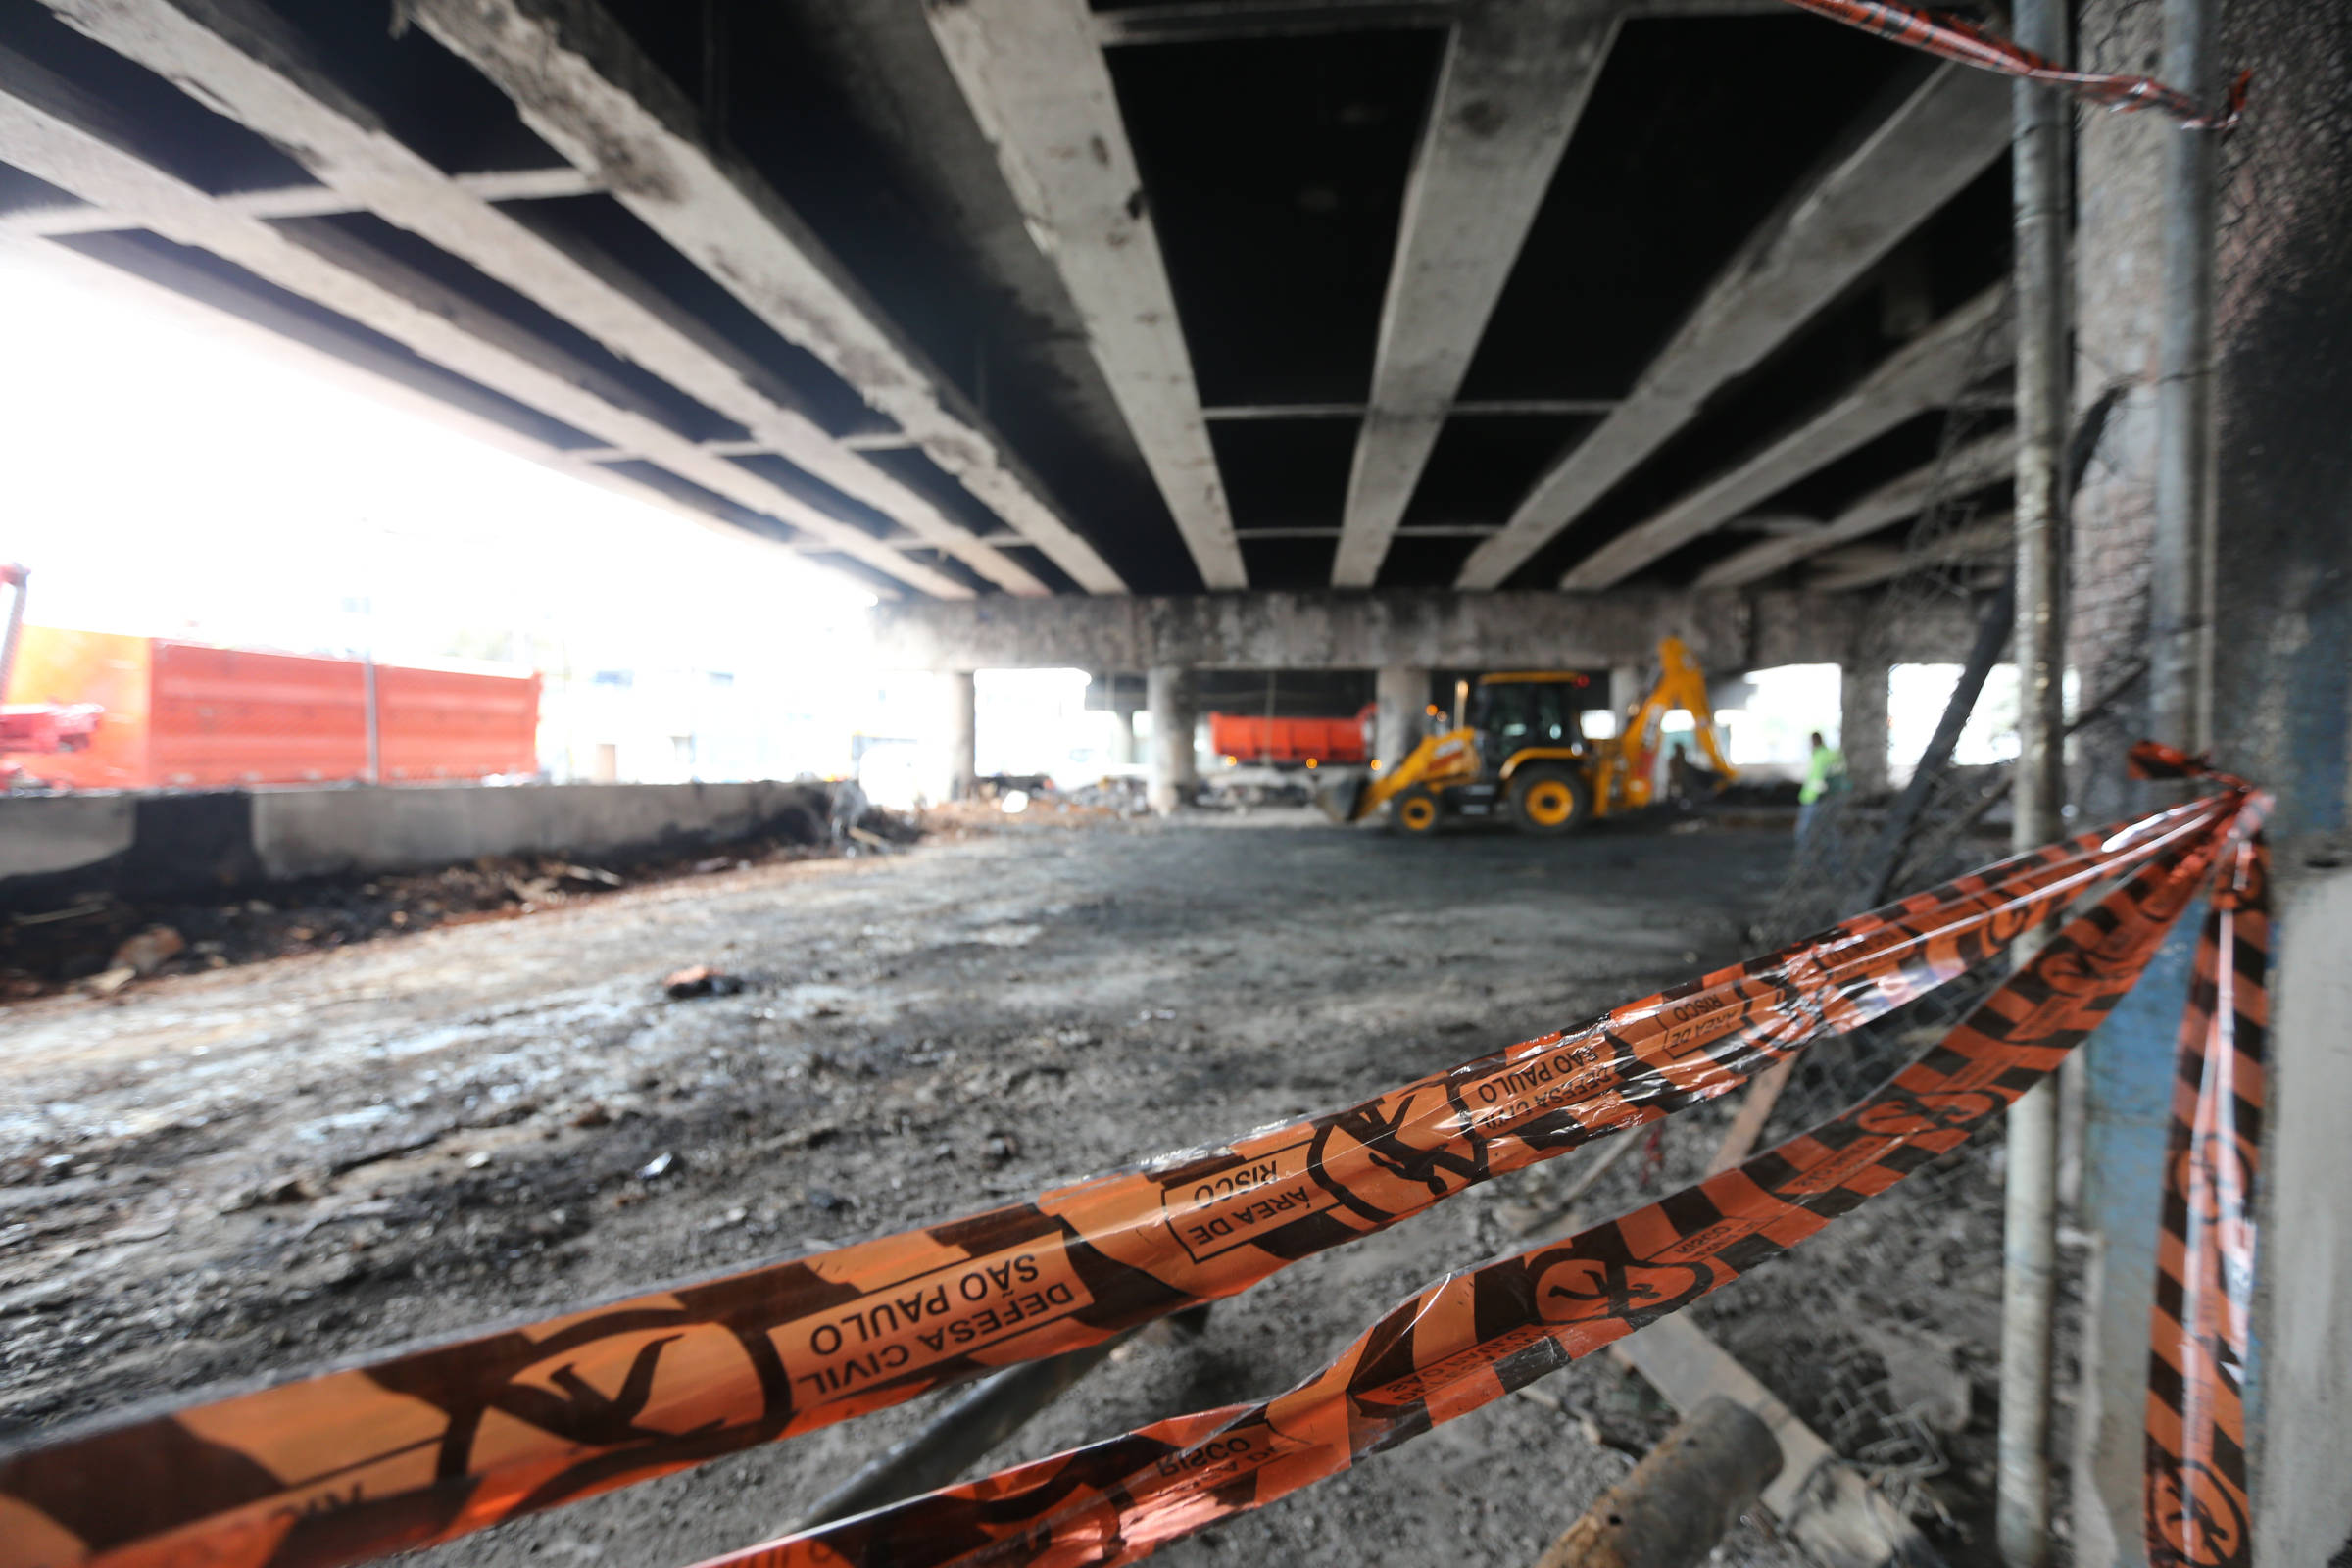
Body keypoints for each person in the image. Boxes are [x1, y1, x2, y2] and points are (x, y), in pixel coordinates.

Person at [1797, 729, 1846, 840]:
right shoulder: (1829, 754)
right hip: (1822, 796)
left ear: (1814, 741)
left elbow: (1818, 777)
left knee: (1806, 830)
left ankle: (1805, 851)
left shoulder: (1821, 755)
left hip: (1815, 797)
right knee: (1826, 828)